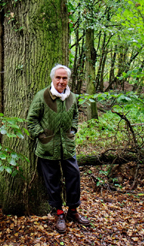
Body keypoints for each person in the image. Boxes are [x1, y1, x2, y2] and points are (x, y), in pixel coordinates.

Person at [27, 64, 90, 233]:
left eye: (64, 78)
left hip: (67, 146)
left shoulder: (72, 97)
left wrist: (73, 130)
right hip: (48, 148)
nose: (61, 81)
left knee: (73, 176)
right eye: (58, 78)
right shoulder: (42, 96)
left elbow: (75, 115)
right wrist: (42, 136)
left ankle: (73, 211)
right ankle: (59, 214)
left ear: (68, 79)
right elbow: (31, 121)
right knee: (53, 182)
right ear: (52, 78)